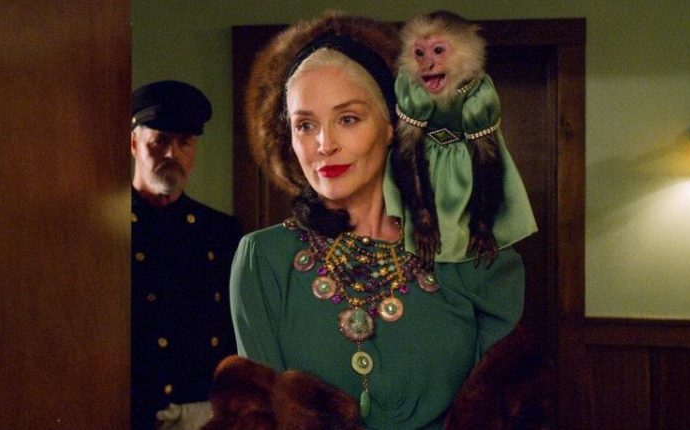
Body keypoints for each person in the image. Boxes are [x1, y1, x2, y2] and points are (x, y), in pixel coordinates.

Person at [202, 13, 544, 430]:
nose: (324, 144)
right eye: (305, 125)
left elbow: (502, 414)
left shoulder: (465, 249)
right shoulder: (262, 258)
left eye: (348, 119)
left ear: (391, 127)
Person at [130, 80, 243, 429]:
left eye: (184, 142)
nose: (172, 154)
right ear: (134, 144)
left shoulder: (220, 232)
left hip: (204, 413)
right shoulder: (106, 229)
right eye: (160, 141)